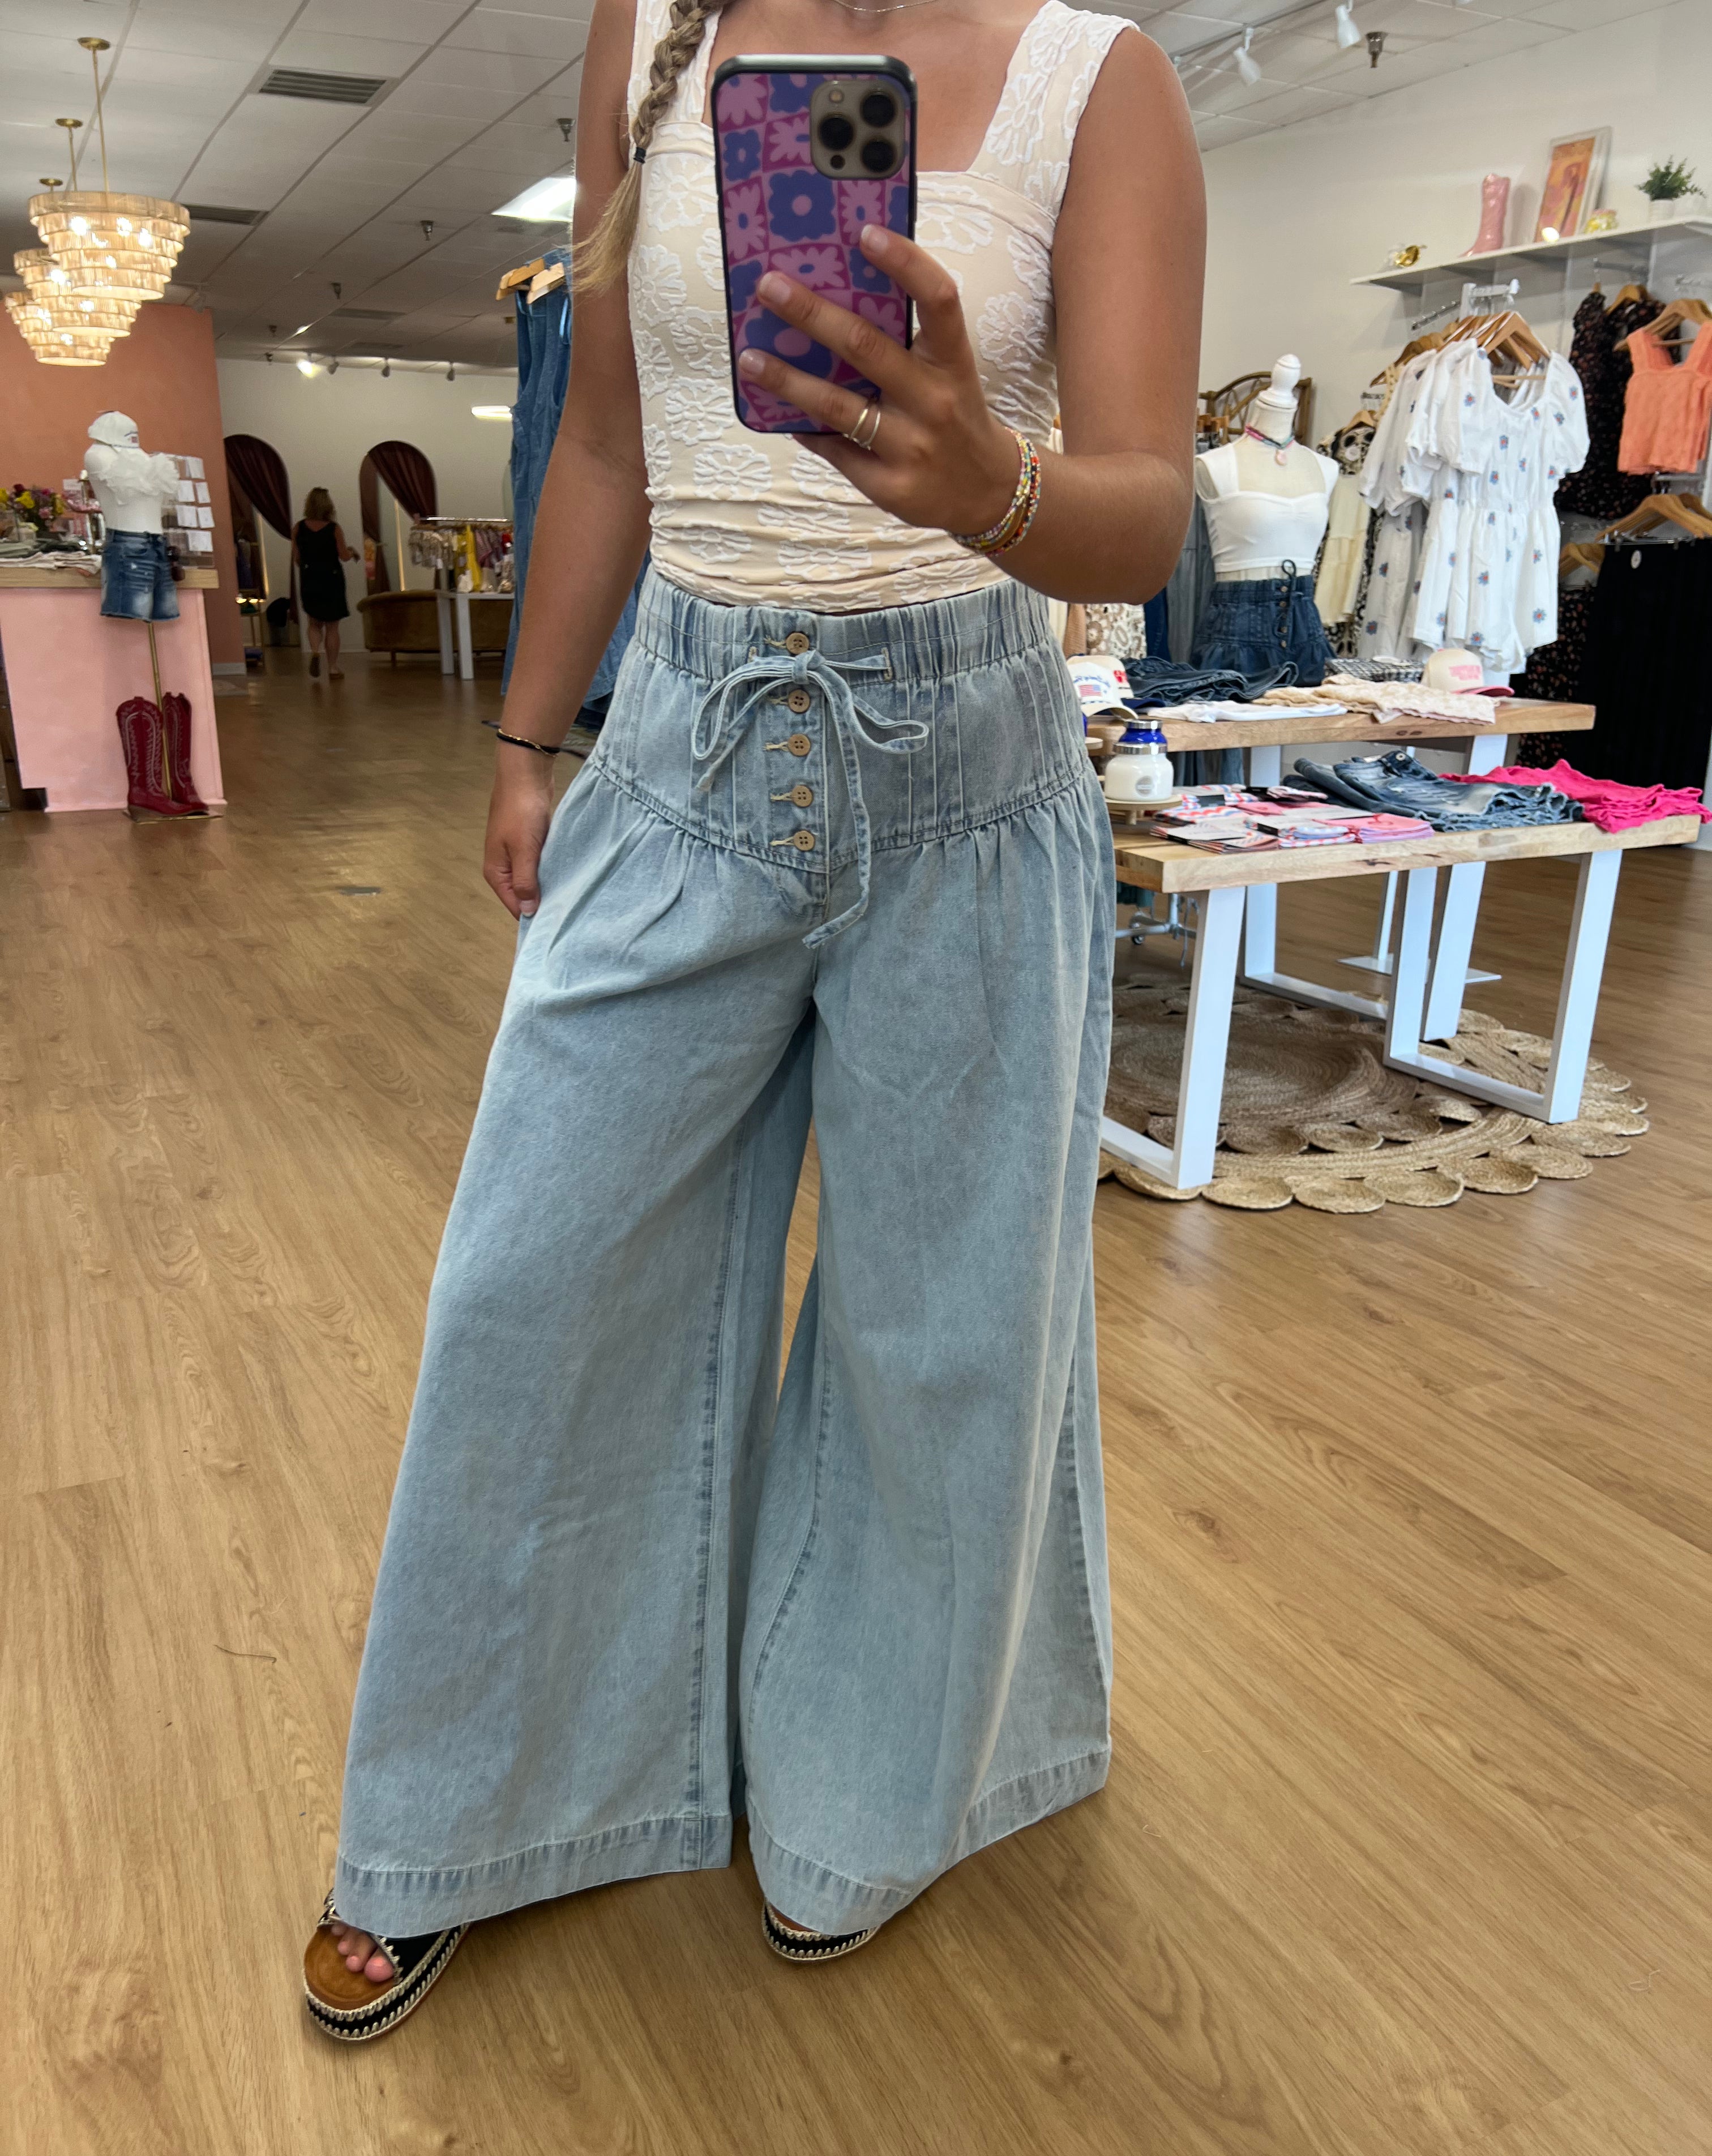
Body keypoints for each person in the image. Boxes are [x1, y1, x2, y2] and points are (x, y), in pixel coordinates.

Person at [302, 0, 1204, 2040]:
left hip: (972, 764)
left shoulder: (1100, 79)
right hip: (682, 745)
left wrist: (989, 479)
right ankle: (467, 1806)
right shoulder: (649, 34)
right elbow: (608, 441)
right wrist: (525, 739)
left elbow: (1148, 506)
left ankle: (867, 1783)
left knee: (938, 1332)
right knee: (528, 1285)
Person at [291, 489, 357, 678]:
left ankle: (315, 652)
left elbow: (297, 559)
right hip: (332, 579)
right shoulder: (334, 528)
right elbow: (344, 556)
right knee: (332, 627)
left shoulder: (298, 528)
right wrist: (352, 552)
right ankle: (333, 668)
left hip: (310, 578)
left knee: (314, 623)